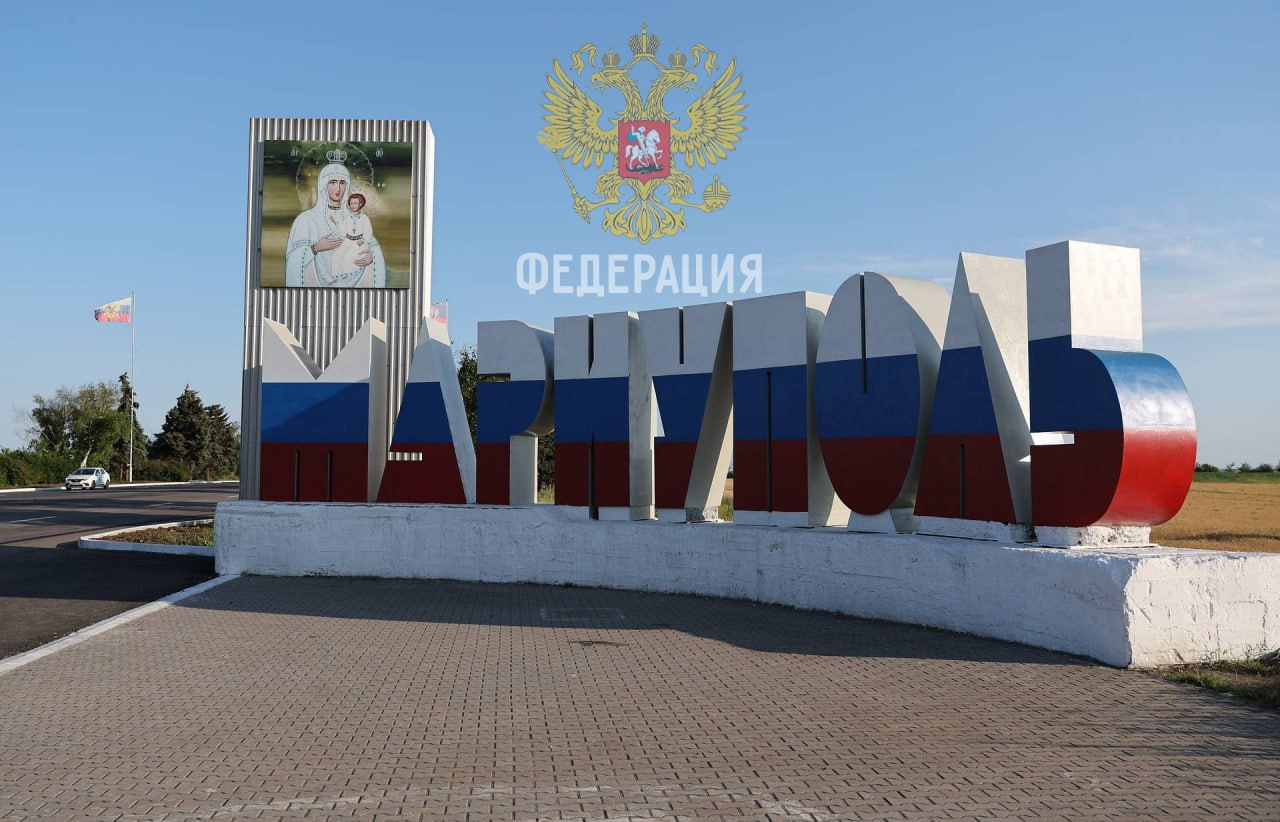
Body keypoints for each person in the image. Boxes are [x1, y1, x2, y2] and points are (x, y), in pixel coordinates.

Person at [283, 163, 385, 287]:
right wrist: (315, 248)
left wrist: (371, 255)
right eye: (333, 182)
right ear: (323, 185)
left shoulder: (355, 217)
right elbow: (293, 258)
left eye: (342, 183)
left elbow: (371, 244)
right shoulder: (307, 219)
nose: (338, 188)